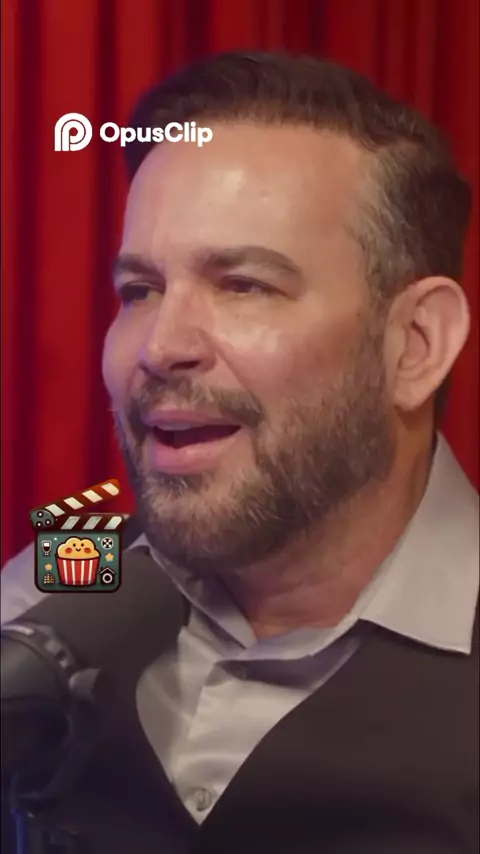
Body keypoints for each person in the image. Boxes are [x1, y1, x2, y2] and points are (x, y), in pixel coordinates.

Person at [2, 51, 478, 854]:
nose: (159, 347)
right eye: (139, 291)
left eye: (244, 285)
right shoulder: (63, 574)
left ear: (414, 345)